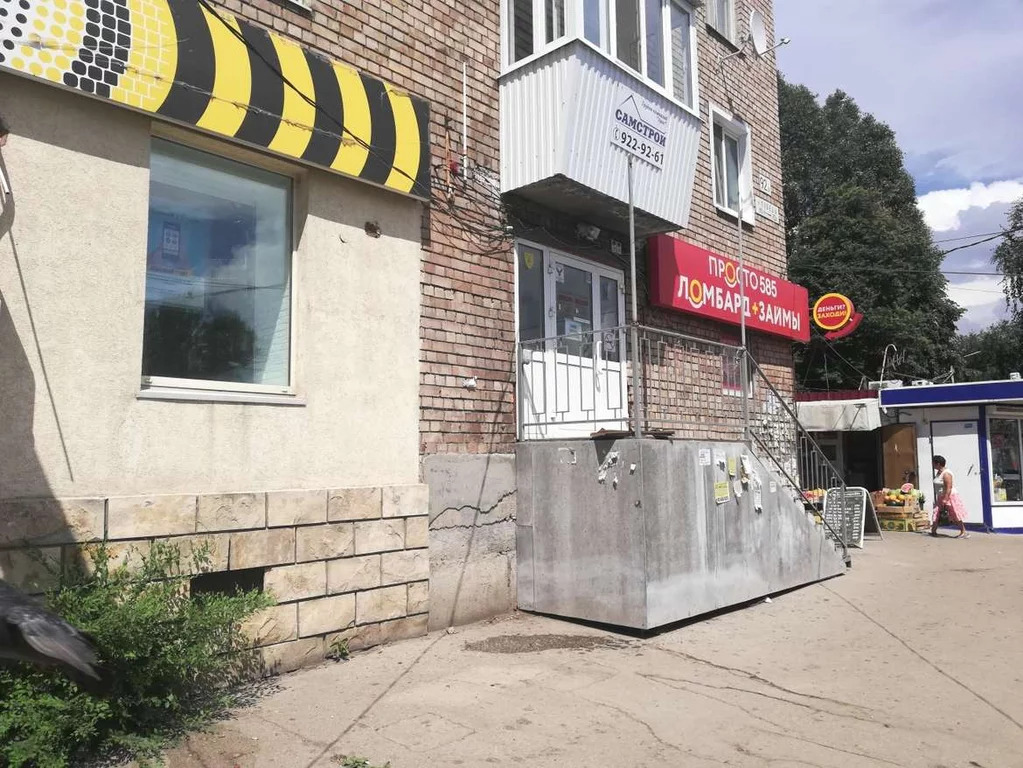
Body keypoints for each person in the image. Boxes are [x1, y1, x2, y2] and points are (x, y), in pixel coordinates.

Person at [931, 455, 969, 538]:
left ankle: (963, 532)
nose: (932, 465)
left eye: (933, 463)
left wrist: (945, 499)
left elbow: (949, 487)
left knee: (954, 513)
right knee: (936, 512)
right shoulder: (939, 473)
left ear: (938, 464)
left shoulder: (946, 474)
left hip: (949, 496)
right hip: (941, 496)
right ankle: (933, 531)